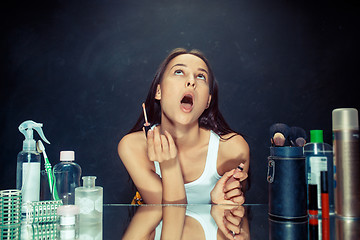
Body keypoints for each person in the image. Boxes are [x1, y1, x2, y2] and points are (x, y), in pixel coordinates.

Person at [118, 48, 249, 204]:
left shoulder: (232, 150)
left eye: (201, 76)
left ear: (208, 101)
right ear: (158, 91)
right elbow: (169, 217)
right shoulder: (133, 147)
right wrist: (169, 166)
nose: (191, 81)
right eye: (179, 72)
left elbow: (236, 222)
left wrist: (223, 205)